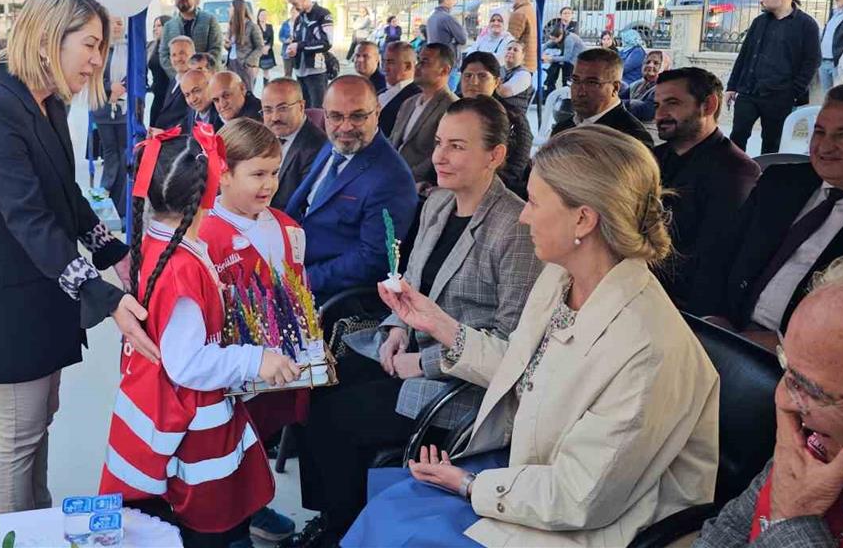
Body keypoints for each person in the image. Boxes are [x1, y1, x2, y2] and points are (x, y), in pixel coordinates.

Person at [347, 125, 719, 548]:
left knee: (403, 530)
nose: (523, 214)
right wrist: (438, 324)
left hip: (594, 525)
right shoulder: (562, 277)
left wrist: (471, 485)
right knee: (390, 507)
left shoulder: (647, 348)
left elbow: (581, 497)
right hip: (529, 474)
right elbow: (524, 368)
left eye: (536, 202)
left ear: (583, 219)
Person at [287, 97, 543, 548]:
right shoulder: (440, 204)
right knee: (315, 385)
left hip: (460, 384)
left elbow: (511, 345)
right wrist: (396, 329)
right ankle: (331, 513)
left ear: (495, 155)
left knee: (337, 416)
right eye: (440, 143)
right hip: (407, 348)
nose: (440, 156)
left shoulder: (515, 227)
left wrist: (421, 363)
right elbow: (409, 282)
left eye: (457, 146)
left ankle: (343, 528)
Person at [0, 0, 156, 515]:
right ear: (47, 39)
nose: (97, 60)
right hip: (9, 304)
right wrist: (105, 298)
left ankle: (37, 521)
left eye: (102, 48)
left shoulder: (44, 102)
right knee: (17, 440)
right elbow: (30, 219)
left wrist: (114, 252)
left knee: (39, 425)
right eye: (89, 45)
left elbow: (65, 196)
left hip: (45, 291)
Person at [100, 124, 296, 547]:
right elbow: (186, 362)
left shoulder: (156, 243)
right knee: (213, 528)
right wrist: (255, 359)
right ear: (210, 189)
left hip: (163, 412)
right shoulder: (184, 266)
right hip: (194, 430)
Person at [692, 258, 843, 548]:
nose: (781, 399)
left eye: (811, 390)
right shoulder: (812, 441)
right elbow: (726, 531)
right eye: (786, 369)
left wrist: (792, 519)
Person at [201, 117, 311, 544]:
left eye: (275, 172)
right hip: (229, 372)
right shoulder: (206, 236)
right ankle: (231, 525)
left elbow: (298, 288)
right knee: (224, 449)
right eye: (257, 174)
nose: (269, 184)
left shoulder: (285, 225)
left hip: (275, 369)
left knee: (257, 440)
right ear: (224, 174)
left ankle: (253, 503)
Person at [695, 84, 843, 346]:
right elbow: (720, 254)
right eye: (819, 131)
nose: (825, 146)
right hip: (725, 333)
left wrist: (786, 345)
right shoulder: (781, 183)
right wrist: (713, 316)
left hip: (804, 360)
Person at [285, 76, 417, 304]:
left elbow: (373, 260)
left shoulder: (392, 178)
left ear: (377, 111)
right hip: (290, 263)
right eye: (335, 116)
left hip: (327, 295)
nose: (345, 126)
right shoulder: (334, 144)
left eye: (358, 116)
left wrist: (301, 279)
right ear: (324, 114)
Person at [651, 67, 760, 308]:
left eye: (672, 103)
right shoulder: (651, 158)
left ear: (709, 105)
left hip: (681, 303)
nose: (660, 114)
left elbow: (712, 261)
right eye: (657, 105)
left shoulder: (736, 171)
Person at [727, 0, 822, 155]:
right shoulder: (759, 22)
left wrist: (793, 91)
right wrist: (732, 86)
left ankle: (766, 177)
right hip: (749, 91)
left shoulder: (806, 25)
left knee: (772, 141)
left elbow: (812, 61)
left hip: (779, 95)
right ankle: (734, 174)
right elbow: (744, 55)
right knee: (738, 135)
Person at [460, 51, 533, 195]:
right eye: (468, 76)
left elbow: (520, 158)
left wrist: (496, 185)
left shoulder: (512, 116)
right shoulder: (451, 111)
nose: (473, 82)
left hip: (499, 188)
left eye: (482, 76)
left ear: (497, 82)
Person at [550, 48, 655, 146]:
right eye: (575, 81)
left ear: (615, 88)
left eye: (592, 83)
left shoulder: (633, 140)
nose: (580, 92)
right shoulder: (562, 130)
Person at [391, 42, 458, 189]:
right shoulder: (409, 103)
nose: (418, 66)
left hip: (416, 184)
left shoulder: (452, 108)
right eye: (419, 60)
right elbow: (393, 141)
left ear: (444, 70)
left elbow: (437, 157)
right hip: (391, 174)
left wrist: (404, 178)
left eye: (425, 62)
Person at [262, 78, 326, 211]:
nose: (275, 117)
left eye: (283, 108)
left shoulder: (317, 147)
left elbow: (300, 206)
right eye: (268, 110)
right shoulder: (263, 135)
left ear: (301, 107)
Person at [91, 16, 130, 218]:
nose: (116, 26)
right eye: (113, 23)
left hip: (124, 110)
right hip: (103, 108)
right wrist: (109, 88)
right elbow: (94, 76)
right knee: (110, 153)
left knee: (125, 153)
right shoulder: (102, 49)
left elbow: (137, 74)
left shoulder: (129, 49)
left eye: (120, 22)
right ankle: (106, 193)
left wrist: (121, 89)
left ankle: (120, 200)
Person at [284, 0, 334, 109]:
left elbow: (326, 43)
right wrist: (292, 49)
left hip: (316, 71)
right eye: (291, 4)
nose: (294, 7)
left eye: (295, 3)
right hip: (299, 71)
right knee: (303, 110)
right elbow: (296, 41)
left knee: (318, 110)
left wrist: (299, 46)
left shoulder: (323, 14)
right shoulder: (299, 18)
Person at [161, 0, 224, 74]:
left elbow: (216, 50)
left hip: (206, 79)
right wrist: (180, 74)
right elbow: (164, 55)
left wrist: (199, 72)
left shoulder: (209, 20)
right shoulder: (169, 26)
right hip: (180, 81)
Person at [153, 35, 198, 129]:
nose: (177, 59)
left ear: (193, 55)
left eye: (182, 53)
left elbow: (192, 120)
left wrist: (165, 134)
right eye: (174, 55)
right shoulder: (174, 80)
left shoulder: (196, 83)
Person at [377, 41, 420, 137]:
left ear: (408, 66)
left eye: (391, 62)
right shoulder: (381, 91)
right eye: (384, 62)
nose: (385, 68)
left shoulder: (416, 97)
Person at [226, 0, 266, 89]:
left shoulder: (252, 26)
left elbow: (260, 47)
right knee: (232, 91)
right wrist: (227, 45)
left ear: (237, 9)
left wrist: (248, 62)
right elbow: (232, 46)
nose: (229, 9)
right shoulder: (232, 25)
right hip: (231, 64)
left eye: (230, 7)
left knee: (246, 91)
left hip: (244, 65)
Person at [425, 0, 468, 72]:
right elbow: (463, 39)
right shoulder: (448, 18)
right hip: (449, 63)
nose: (455, 1)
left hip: (435, 62)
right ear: (447, 0)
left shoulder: (431, 18)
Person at [621, 49, 670, 123]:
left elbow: (647, 111)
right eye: (647, 62)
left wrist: (621, 104)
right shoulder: (638, 84)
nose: (650, 65)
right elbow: (619, 98)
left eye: (656, 63)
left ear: (664, 67)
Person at [541, 21, 586, 94]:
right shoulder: (558, 36)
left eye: (554, 39)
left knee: (567, 79)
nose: (553, 41)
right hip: (569, 59)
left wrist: (550, 58)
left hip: (576, 60)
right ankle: (555, 92)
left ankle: (568, 95)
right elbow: (547, 44)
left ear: (560, 36)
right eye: (551, 38)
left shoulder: (569, 39)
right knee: (557, 74)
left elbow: (566, 58)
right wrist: (541, 53)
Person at [181, 57, 220, 132]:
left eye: (196, 91)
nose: (193, 99)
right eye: (187, 95)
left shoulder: (222, 111)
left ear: (210, 86)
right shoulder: (192, 111)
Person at [497, 40, 535, 113]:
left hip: (513, 116)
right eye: (509, 49)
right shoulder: (498, 69)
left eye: (515, 50)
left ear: (522, 55)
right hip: (496, 111)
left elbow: (504, 92)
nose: (511, 51)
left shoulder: (524, 75)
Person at [508, 0, 538, 74]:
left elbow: (510, 40)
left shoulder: (519, 13)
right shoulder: (531, 10)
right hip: (531, 61)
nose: (512, 0)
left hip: (520, 63)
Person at [146, 16, 170, 125]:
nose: (155, 29)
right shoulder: (151, 46)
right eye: (154, 26)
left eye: (159, 26)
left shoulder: (172, 47)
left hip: (170, 94)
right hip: (156, 94)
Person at [257, 8, 277, 85]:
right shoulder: (255, 26)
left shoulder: (269, 26)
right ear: (258, 16)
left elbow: (272, 39)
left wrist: (268, 47)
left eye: (265, 15)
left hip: (267, 51)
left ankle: (265, 89)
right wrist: (261, 48)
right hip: (258, 51)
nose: (263, 16)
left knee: (266, 72)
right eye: (262, 15)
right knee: (255, 71)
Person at [280, 7, 298, 77]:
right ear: (290, 13)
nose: (294, 14)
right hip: (286, 52)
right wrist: (286, 40)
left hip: (298, 52)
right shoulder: (285, 23)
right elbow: (280, 36)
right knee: (287, 74)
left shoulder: (302, 23)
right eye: (293, 12)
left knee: (299, 74)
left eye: (296, 12)